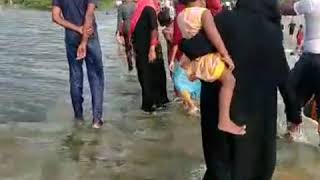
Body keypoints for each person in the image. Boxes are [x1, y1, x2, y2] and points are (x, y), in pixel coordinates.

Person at [186, 0, 289, 178]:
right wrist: (294, 114)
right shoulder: (272, 32)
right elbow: (285, 78)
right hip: (257, 123)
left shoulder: (223, 20)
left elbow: (192, 48)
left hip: (218, 115)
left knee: (219, 170)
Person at [177, 0, 246, 135]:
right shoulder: (204, 13)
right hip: (208, 60)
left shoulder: (180, 16)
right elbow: (214, 36)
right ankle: (224, 120)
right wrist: (225, 55)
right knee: (229, 81)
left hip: (194, 61)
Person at [52, 0, 105, 128]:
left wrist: (77, 29)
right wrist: (84, 41)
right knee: (96, 77)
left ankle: (78, 118)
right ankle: (96, 121)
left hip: (71, 36)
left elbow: (55, 17)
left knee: (75, 77)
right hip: (90, 35)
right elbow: (89, 14)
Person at [280, 0, 320, 137]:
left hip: (312, 58)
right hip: (310, 58)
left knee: (289, 87)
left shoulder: (311, 2)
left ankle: (294, 125)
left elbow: (283, 8)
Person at [130, 0, 170, 114]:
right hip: (142, 49)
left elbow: (154, 28)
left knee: (149, 76)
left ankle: (151, 105)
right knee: (147, 76)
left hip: (148, 49)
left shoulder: (148, 8)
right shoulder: (142, 8)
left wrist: (152, 49)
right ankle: (153, 104)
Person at [116, 0, 136, 71]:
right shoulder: (135, 5)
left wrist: (117, 33)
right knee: (136, 45)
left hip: (126, 26)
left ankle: (130, 66)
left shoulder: (121, 7)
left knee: (127, 48)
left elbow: (119, 21)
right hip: (135, 25)